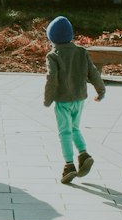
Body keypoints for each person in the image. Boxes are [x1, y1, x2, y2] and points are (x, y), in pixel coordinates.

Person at [43, 15, 105, 184]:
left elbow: (52, 78)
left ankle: (69, 165)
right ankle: (84, 154)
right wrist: (100, 90)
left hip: (63, 100)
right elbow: (93, 72)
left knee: (64, 132)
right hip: (79, 99)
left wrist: (48, 99)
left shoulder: (53, 55)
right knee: (75, 128)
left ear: (51, 38)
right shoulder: (81, 51)